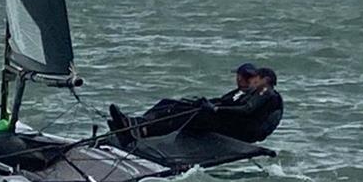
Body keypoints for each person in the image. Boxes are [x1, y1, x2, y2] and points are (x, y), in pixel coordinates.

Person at [108, 65, 283, 145]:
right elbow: (226, 101)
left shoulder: (267, 93)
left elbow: (247, 110)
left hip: (239, 132)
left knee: (188, 114)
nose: (253, 82)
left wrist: (214, 109)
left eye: (256, 79)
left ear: (265, 80)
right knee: (172, 104)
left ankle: (141, 132)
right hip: (231, 123)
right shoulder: (251, 93)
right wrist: (206, 103)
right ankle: (135, 124)